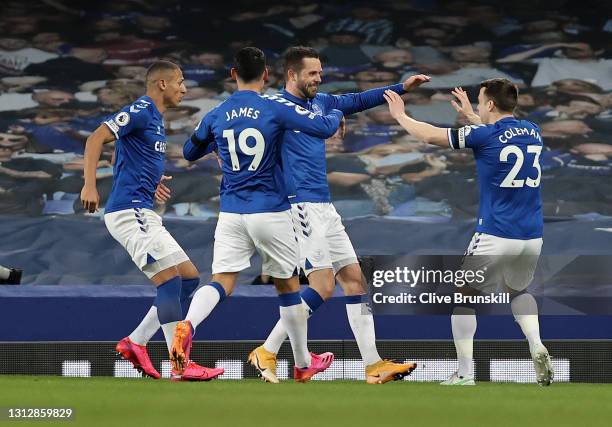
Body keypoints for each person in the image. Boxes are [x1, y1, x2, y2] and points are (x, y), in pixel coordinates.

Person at [247, 46, 426, 384]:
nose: (319, 78)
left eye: (319, 72)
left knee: (354, 279)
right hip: (297, 205)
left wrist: (401, 87)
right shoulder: (273, 106)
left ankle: (373, 365)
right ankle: (267, 350)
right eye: (312, 73)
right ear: (292, 75)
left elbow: (358, 101)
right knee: (324, 285)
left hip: (325, 206)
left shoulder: (323, 103)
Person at [172, 47, 343, 383]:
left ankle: (188, 324)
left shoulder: (216, 113)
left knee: (222, 281)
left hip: (232, 212)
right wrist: (337, 112)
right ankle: (303, 361)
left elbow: (190, 151)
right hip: (271, 211)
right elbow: (323, 128)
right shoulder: (274, 108)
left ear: (232, 74)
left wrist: (219, 142)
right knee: (288, 287)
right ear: (266, 75)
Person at [384, 78, 553, 386]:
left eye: (479, 100)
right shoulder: (533, 131)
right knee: (519, 292)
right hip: (531, 236)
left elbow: (431, 136)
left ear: (489, 104)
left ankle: (464, 372)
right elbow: (498, 135)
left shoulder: (485, 134)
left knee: (464, 297)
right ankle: (535, 343)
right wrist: (472, 118)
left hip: (495, 233)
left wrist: (400, 116)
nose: (476, 105)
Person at [80, 60, 223, 382]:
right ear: (162, 84)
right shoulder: (141, 109)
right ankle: (180, 364)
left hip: (142, 208)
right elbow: (95, 139)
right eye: (180, 81)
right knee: (169, 282)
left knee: (187, 279)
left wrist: (148, 178)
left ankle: (136, 341)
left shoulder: (154, 119)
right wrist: (89, 185)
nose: (184, 88)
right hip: (130, 212)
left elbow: (122, 154)